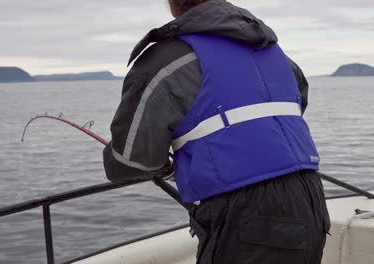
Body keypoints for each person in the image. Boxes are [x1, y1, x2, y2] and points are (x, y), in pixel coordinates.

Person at [103, 0, 331, 263]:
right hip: (311, 199)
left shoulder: (165, 62)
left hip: (248, 217)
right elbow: (291, 109)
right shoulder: (276, 54)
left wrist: (166, 167)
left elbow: (129, 163)